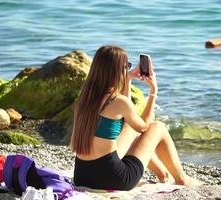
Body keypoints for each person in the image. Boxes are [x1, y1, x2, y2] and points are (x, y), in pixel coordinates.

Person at [70, 45, 200, 190]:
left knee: (130, 128)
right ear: (117, 70)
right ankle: (181, 178)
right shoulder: (117, 101)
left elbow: (127, 117)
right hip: (114, 179)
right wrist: (153, 92)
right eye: (126, 66)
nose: (127, 69)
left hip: (82, 176)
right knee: (157, 127)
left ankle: (163, 175)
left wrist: (129, 78)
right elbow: (143, 125)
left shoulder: (84, 98)